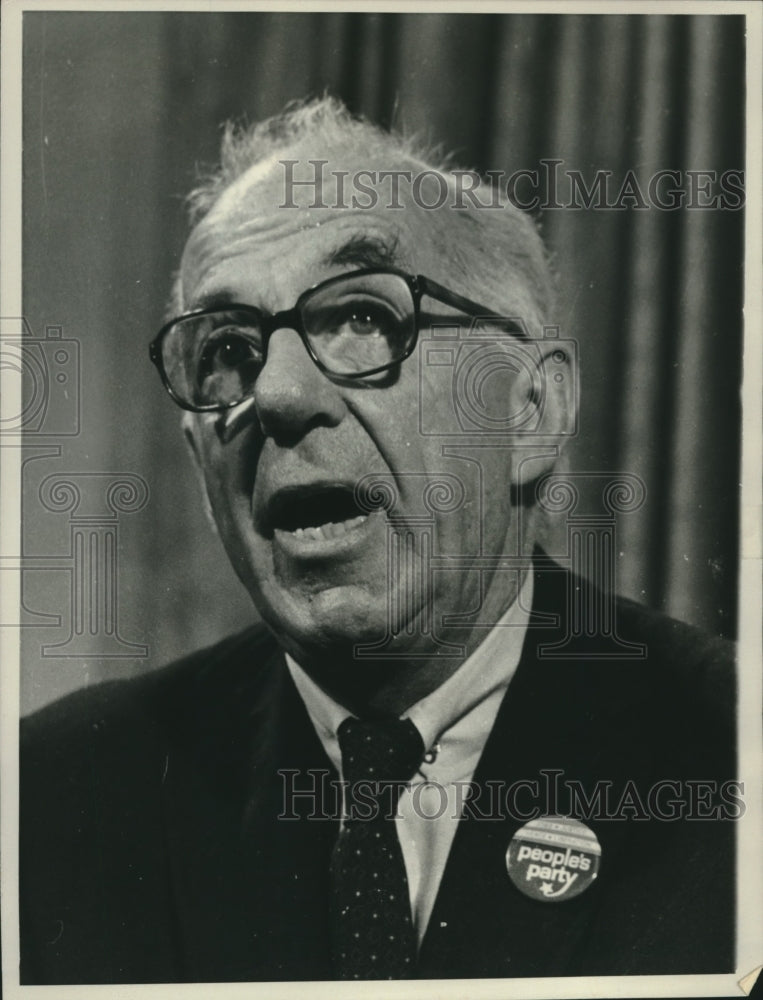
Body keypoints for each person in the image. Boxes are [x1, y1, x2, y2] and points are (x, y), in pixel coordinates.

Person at [20, 97, 737, 984]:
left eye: (361, 318)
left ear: (529, 412)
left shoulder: (732, 754)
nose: (276, 394)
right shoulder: (52, 800)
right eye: (231, 350)